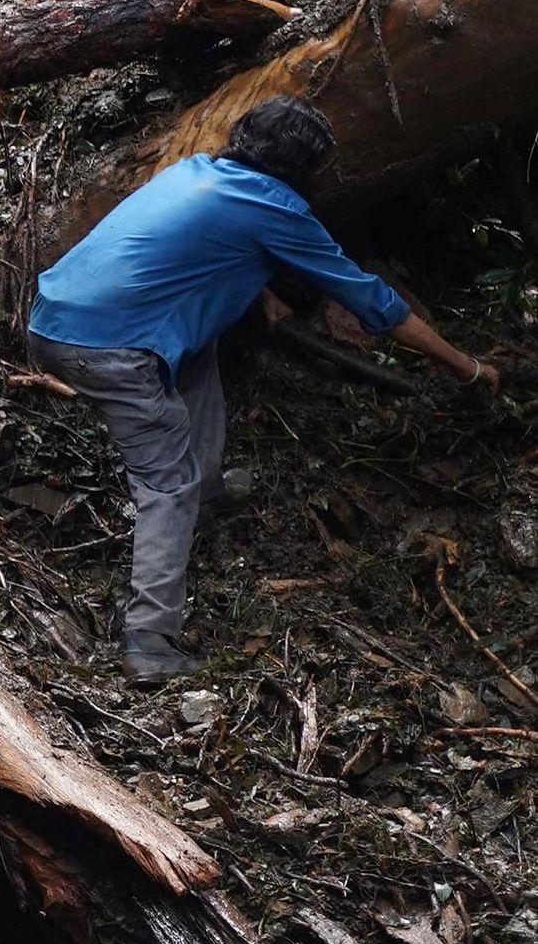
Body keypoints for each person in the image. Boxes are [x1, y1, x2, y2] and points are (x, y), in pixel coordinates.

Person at [29, 96, 495, 679]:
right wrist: (466, 366)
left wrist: (254, 288)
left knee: (199, 354)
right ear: (303, 168)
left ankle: (207, 487)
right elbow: (372, 300)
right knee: (164, 484)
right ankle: (150, 642)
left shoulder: (196, 169)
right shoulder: (277, 207)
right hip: (107, 349)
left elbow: (185, 250)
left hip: (53, 317)